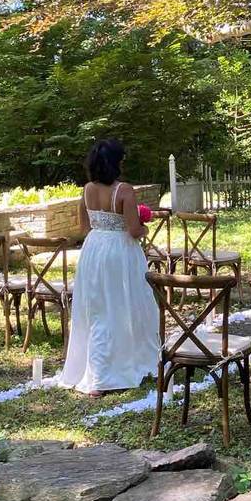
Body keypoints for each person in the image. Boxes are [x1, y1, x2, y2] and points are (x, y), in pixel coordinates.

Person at [57, 139, 159, 397]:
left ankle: (94, 368)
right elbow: (134, 230)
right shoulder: (125, 190)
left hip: (94, 250)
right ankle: (107, 374)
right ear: (116, 163)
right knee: (123, 304)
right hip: (119, 251)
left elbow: (83, 227)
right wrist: (146, 225)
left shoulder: (87, 189)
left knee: (97, 307)